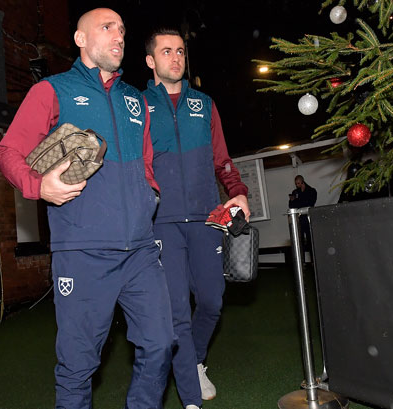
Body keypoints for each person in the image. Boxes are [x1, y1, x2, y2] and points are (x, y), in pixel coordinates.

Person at [0, 8, 174, 409]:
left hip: (141, 251)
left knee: (161, 345)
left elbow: (145, 161)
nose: (119, 37)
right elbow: (8, 151)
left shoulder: (136, 101)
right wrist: (38, 186)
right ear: (80, 39)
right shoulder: (52, 91)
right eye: (107, 28)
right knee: (78, 366)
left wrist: (151, 192)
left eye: (123, 30)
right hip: (83, 251)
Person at [142, 28, 250, 408]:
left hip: (207, 220)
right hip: (162, 223)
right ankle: (191, 398)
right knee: (176, 314)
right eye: (167, 51)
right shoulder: (138, 106)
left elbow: (222, 160)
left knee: (212, 301)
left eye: (181, 52)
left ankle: (195, 360)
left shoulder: (203, 104)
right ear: (151, 61)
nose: (176, 58)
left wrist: (237, 190)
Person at [288, 175, 318, 249]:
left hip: (308, 219)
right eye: (296, 184)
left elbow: (310, 203)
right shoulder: (295, 192)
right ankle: (301, 259)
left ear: (302, 182)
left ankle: (313, 259)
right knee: (299, 241)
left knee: (310, 240)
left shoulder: (311, 190)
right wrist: (292, 200)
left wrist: (298, 202)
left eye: (298, 183)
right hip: (299, 219)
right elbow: (291, 206)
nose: (297, 185)